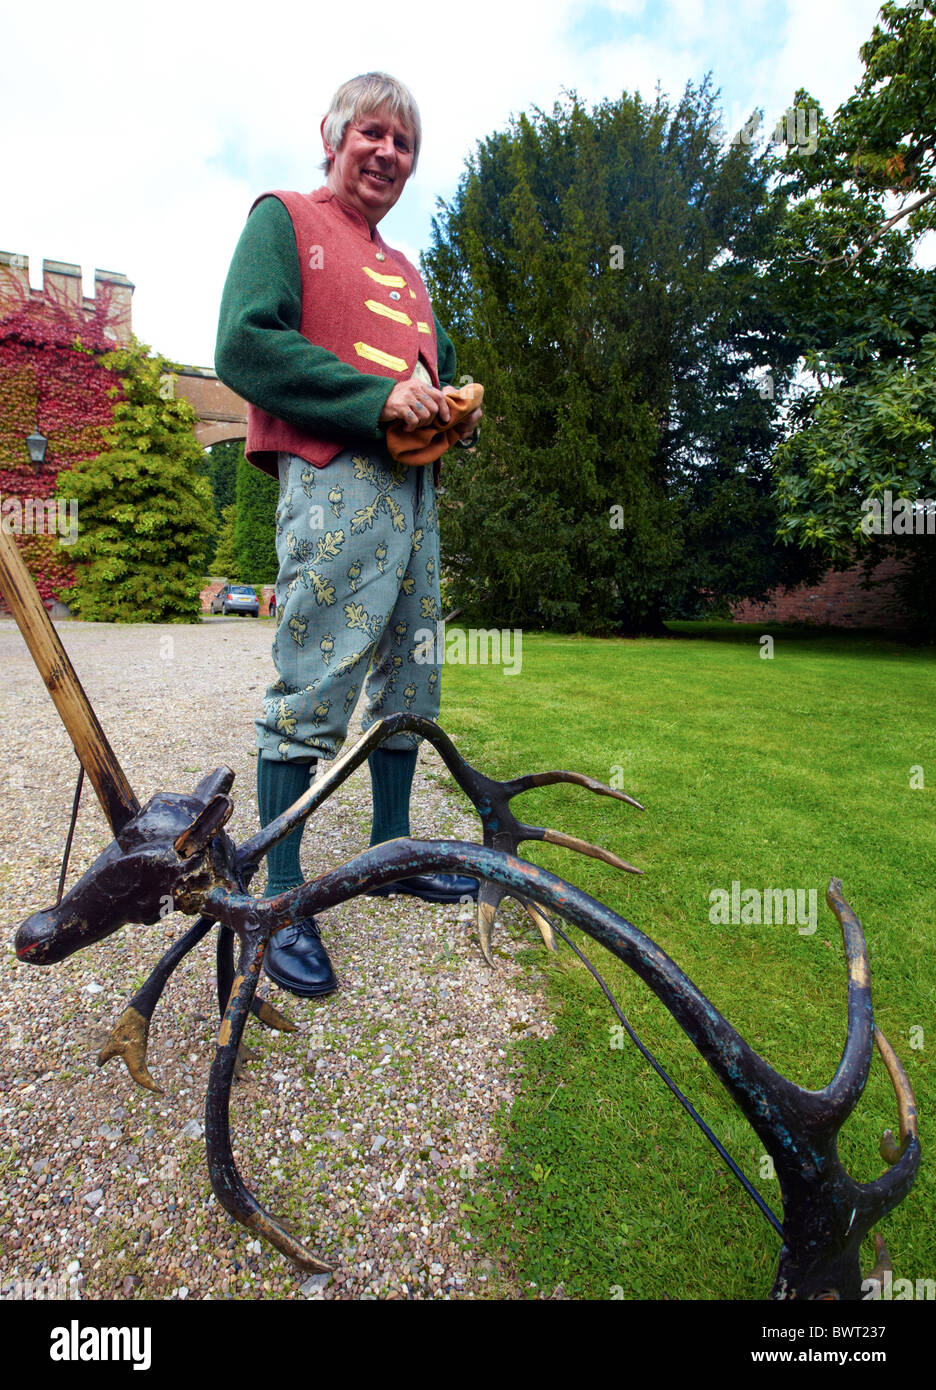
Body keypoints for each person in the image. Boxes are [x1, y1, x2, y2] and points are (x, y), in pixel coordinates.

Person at [215, 72, 482, 1000]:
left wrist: (452, 409)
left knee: (413, 674)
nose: (387, 154)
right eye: (372, 134)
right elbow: (244, 346)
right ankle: (281, 893)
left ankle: (394, 850)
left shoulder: (410, 273)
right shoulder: (283, 217)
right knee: (315, 678)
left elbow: (432, 376)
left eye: (404, 145)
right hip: (334, 480)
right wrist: (374, 400)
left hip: (415, 496)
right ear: (331, 136)